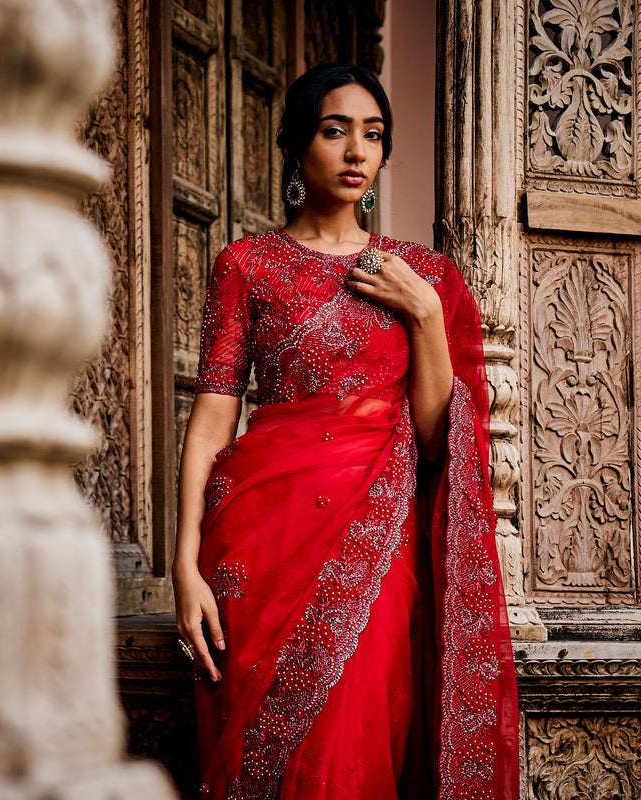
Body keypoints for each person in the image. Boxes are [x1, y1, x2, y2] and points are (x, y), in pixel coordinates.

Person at [172, 64, 519, 799]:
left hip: (376, 546)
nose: (357, 151)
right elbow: (210, 420)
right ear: (298, 146)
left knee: (353, 749)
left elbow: (434, 442)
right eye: (335, 132)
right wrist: (184, 564)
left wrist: (425, 314)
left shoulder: (420, 276)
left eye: (373, 135)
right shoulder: (246, 265)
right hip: (256, 540)